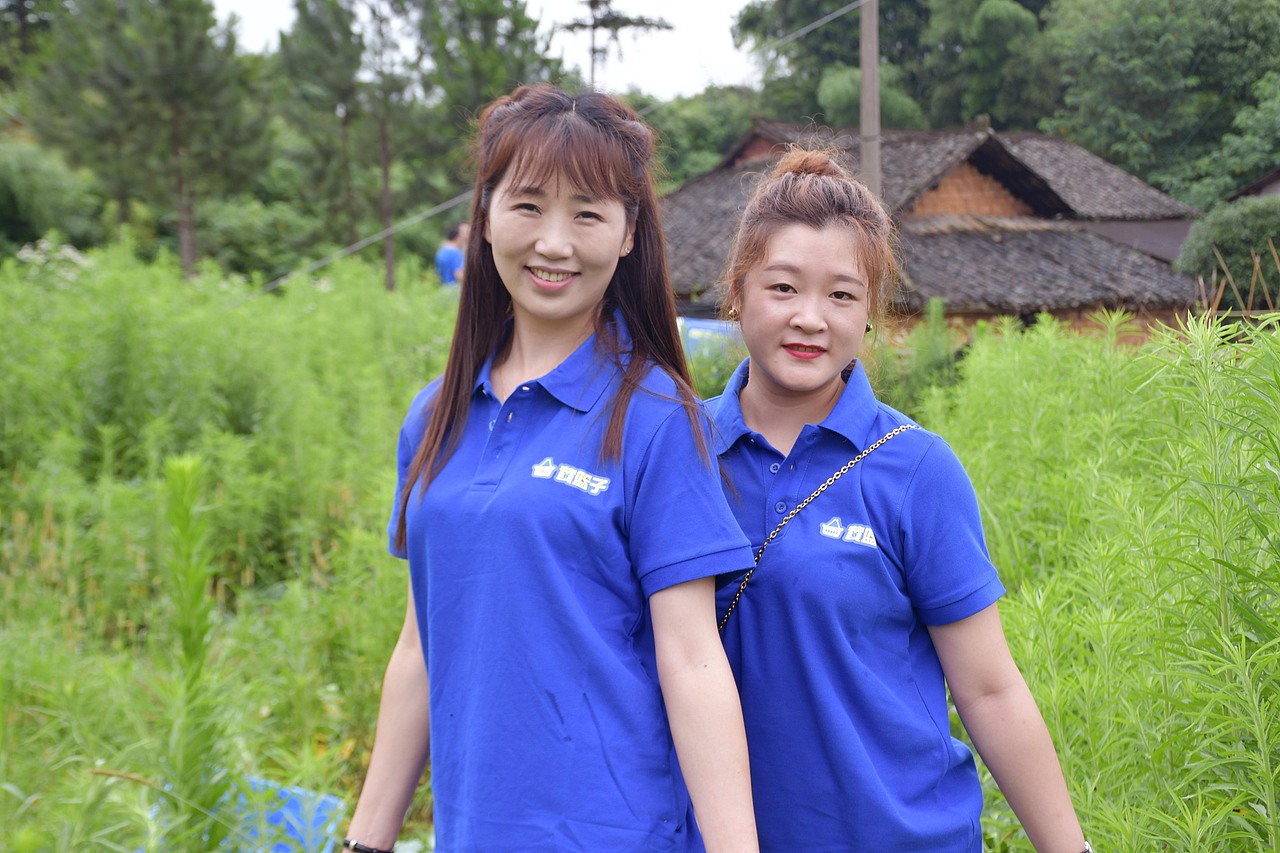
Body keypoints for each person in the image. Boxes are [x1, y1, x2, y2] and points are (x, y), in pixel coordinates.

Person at [342, 84, 759, 853]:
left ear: (629, 234)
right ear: (485, 216)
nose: (554, 243)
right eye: (528, 206)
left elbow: (693, 659)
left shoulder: (657, 418)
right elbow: (420, 646)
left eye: (587, 214)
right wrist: (366, 840)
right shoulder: (433, 417)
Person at [707, 148, 1091, 853]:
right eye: (783, 287)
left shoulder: (915, 468)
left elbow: (989, 689)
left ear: (871, 314)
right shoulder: (677, 450)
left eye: (842, 295)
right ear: (737, 292)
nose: (810, 318)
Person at [434, 221, 469, 285]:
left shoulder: (441, 251)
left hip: (443, 286)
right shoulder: (455, 253)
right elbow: (459, 275)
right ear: (457, 238)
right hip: (453, 287)